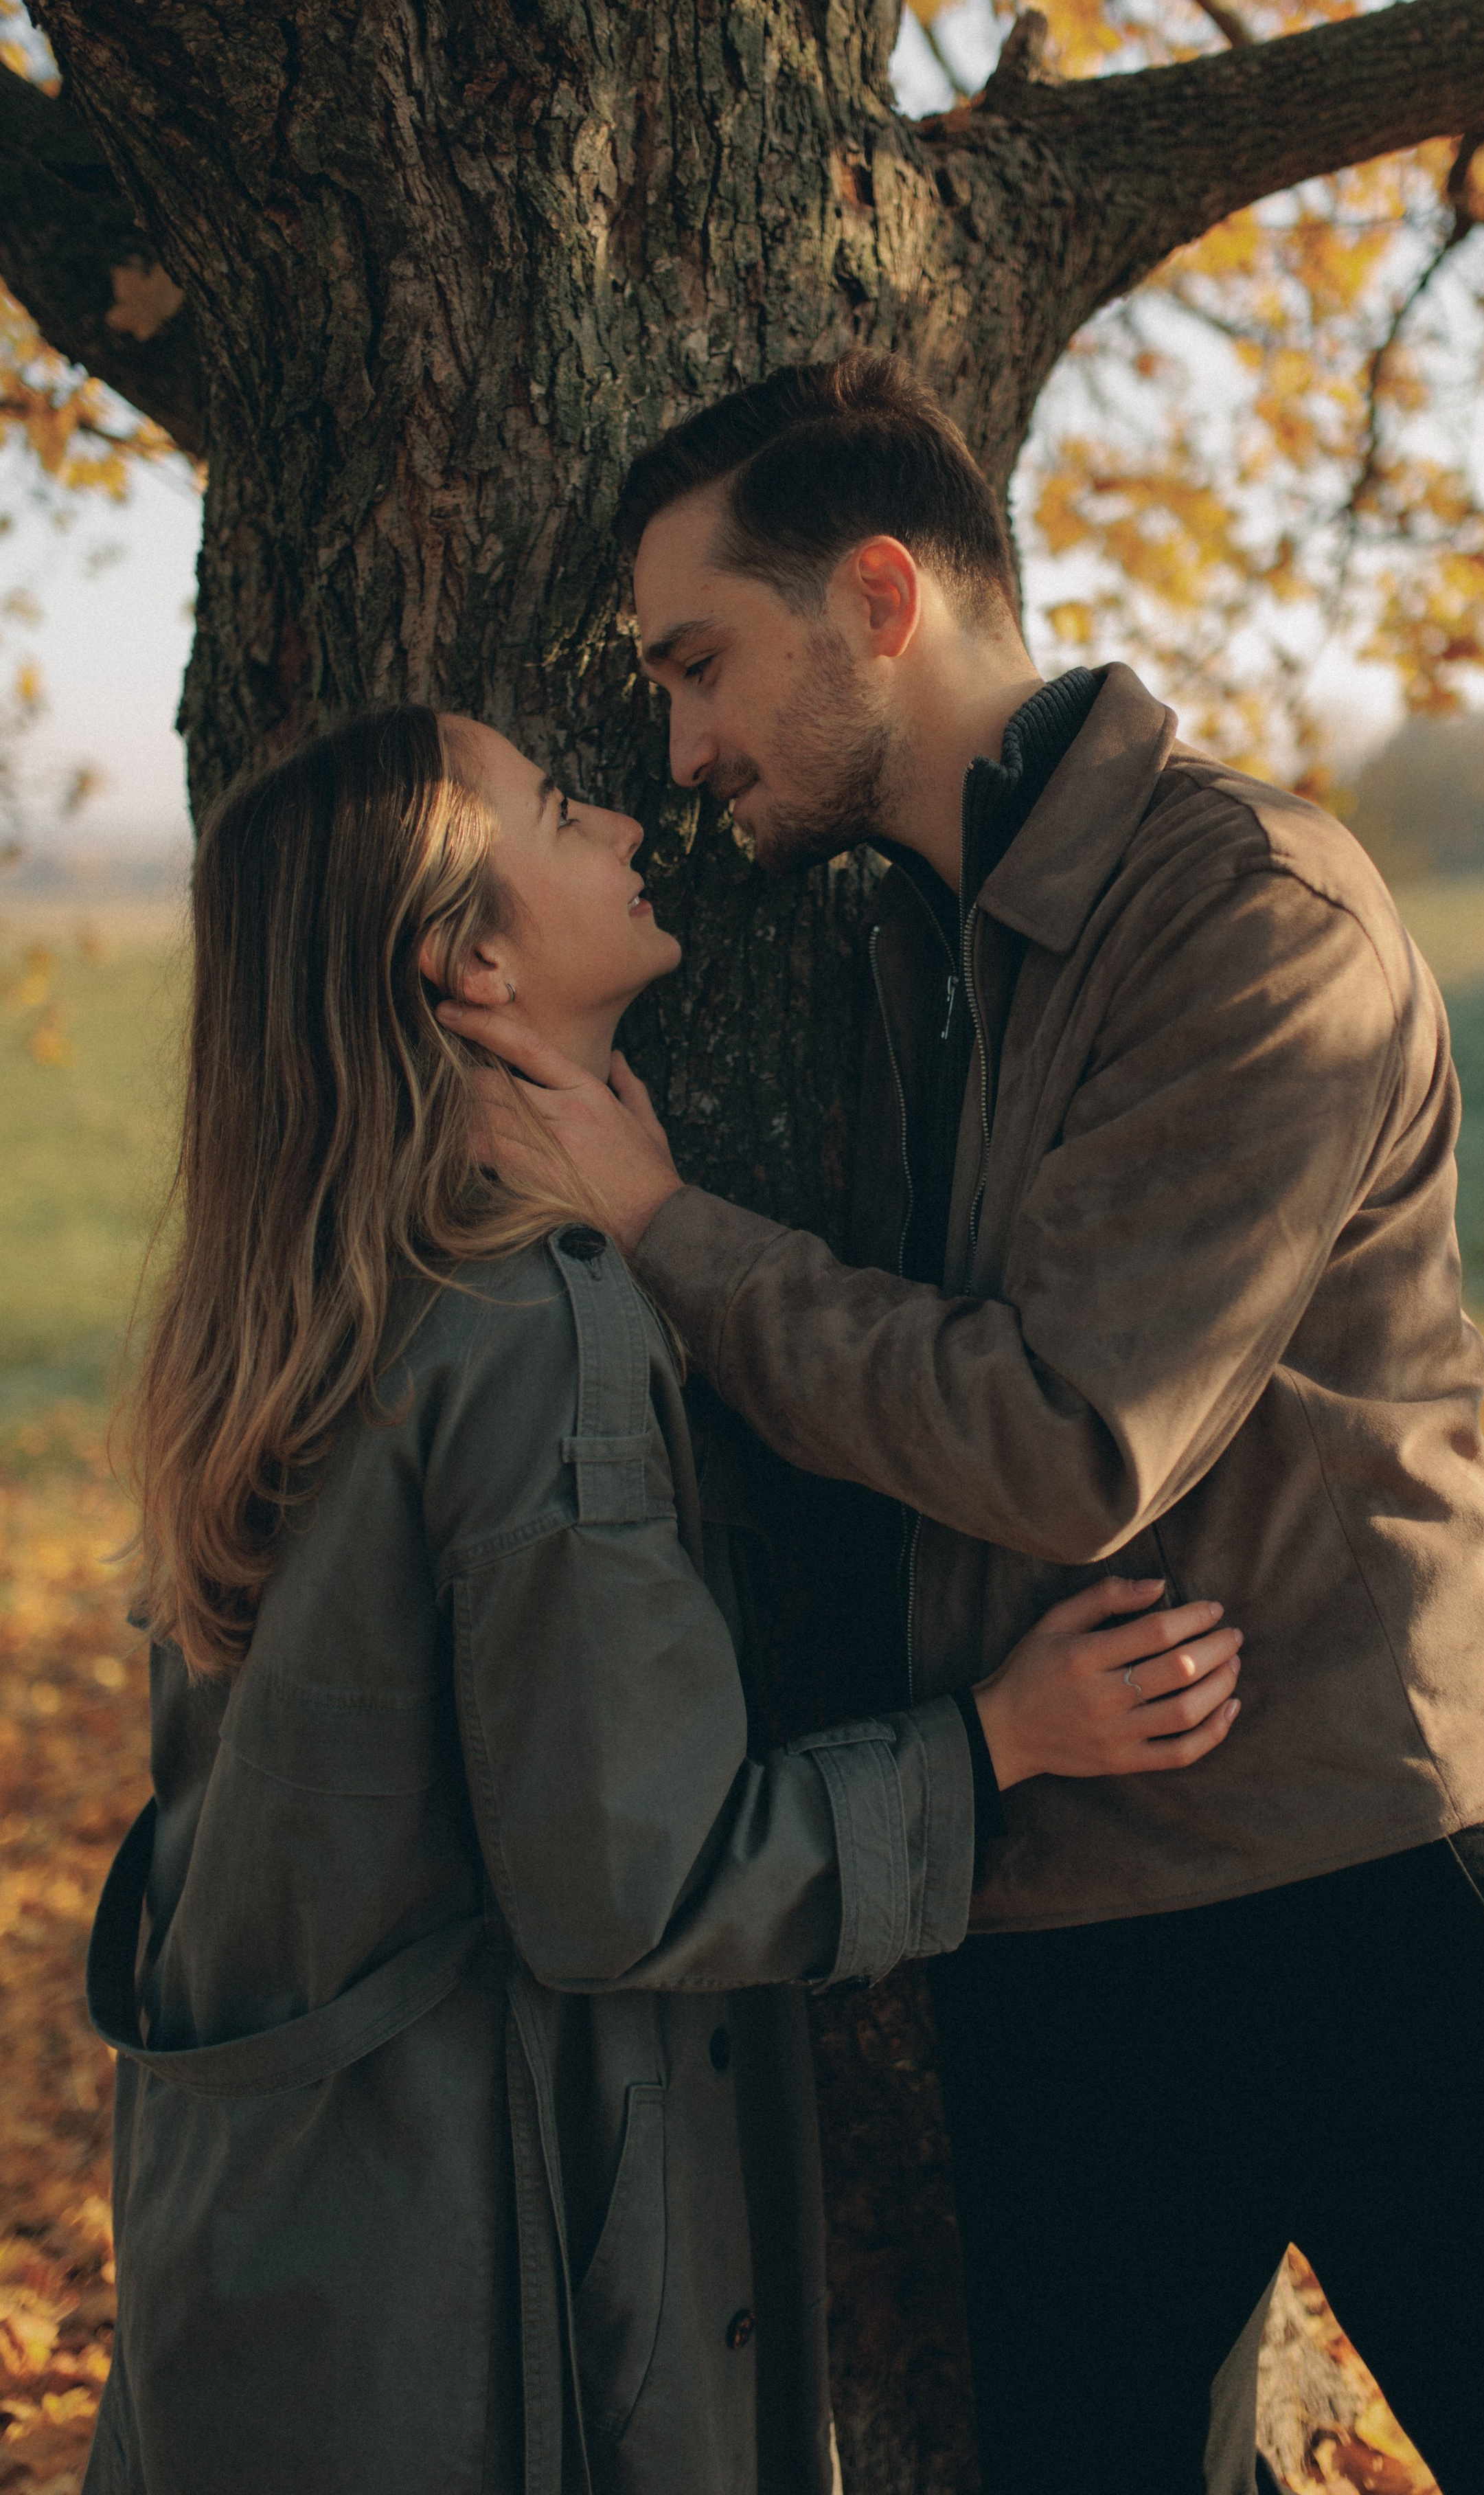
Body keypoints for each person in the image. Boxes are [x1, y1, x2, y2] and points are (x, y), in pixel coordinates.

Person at [446, 352, 1484, 2495]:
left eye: (705, 665)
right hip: (1057, 1891)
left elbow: (1070, 1435)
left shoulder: (1254, 912)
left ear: (882, 596)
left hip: (1377, 1860)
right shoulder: (902, 946)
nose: (678, 750)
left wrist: (666, 1220)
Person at [82, 701, 1246, 2495]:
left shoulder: (282, 1319)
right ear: (464, 958)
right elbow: (636, 1886)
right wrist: (997, 1745)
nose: (628, 820)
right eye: (557, 809)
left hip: (262, 2277)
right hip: (473, 2312)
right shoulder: (525, 1330)